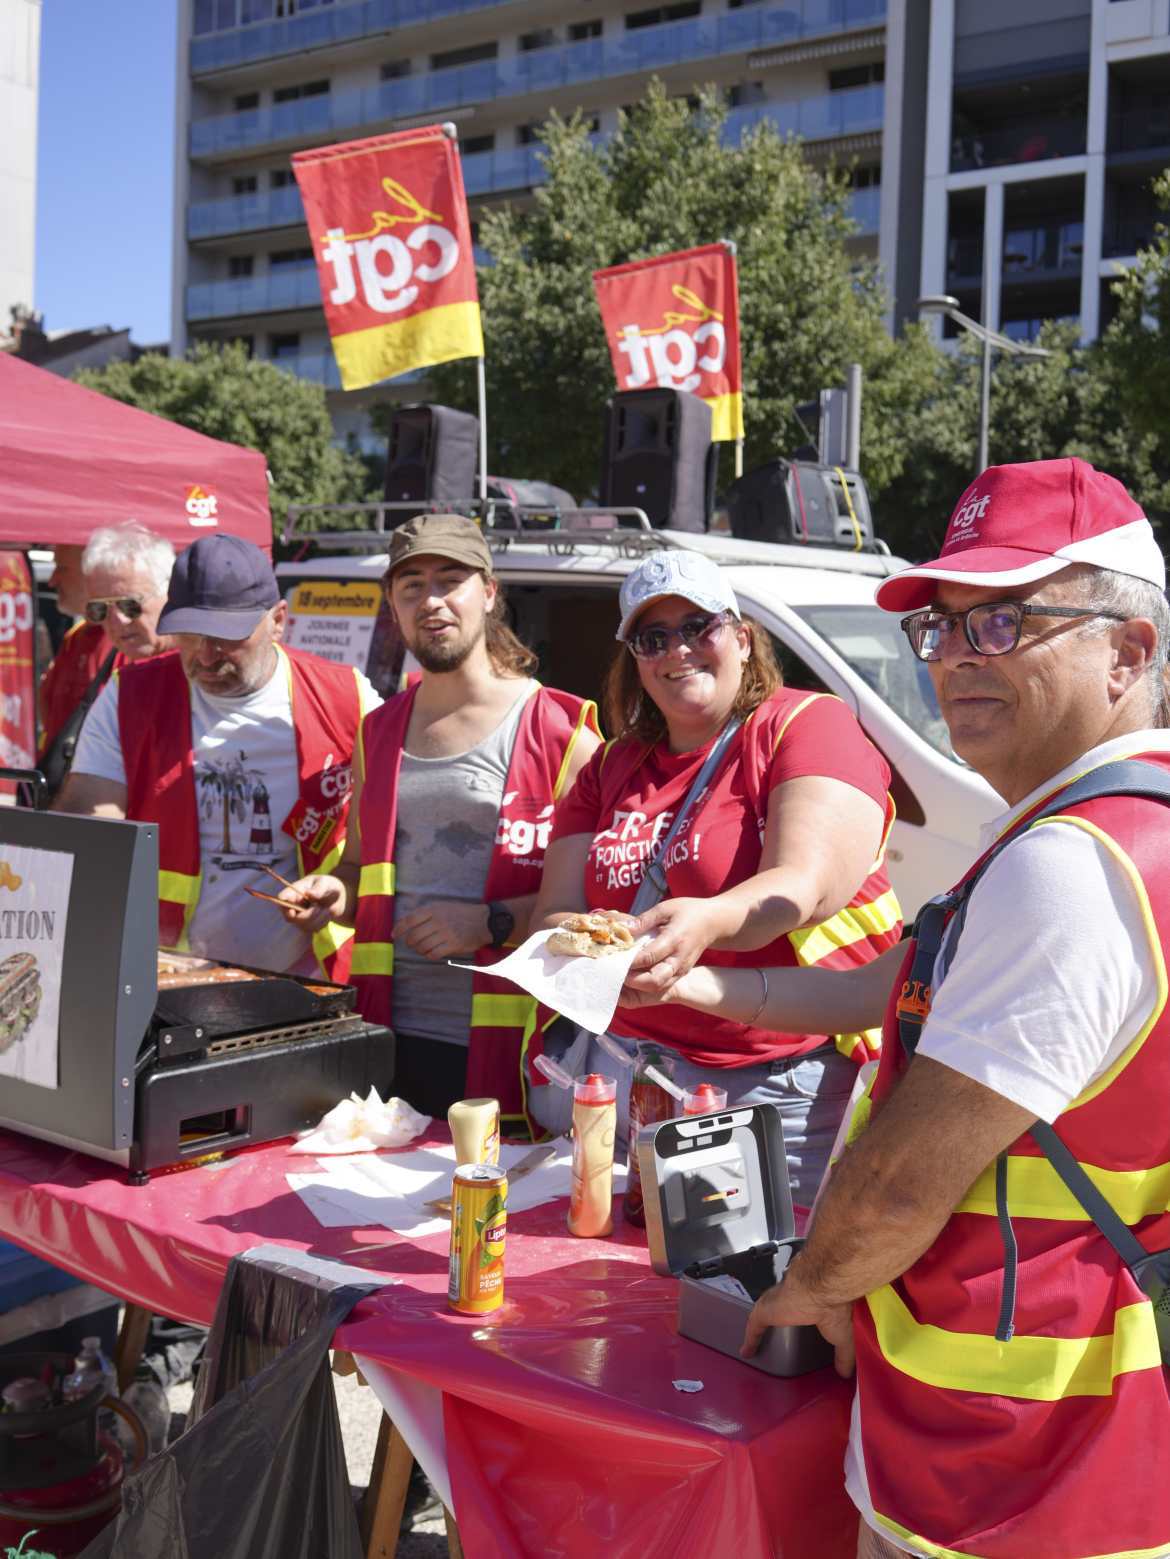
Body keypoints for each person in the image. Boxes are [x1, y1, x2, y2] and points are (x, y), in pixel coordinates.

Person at [641, 459, 1170, 1559]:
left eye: (1004, 622)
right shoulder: (1105, 833)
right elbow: (890, 994)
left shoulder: (1070, 864)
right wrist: (700, 979)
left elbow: (894, 1186)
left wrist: (805, 1292)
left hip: (1011, 1477)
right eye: (945, 628)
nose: (955, 661)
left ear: (1128, 650)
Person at [530, 549, 902, 1200]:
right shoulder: (610, 765)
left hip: (769, 1093)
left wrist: (708, 919)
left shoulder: (802, 724)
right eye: (653, 637)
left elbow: (805, 885)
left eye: (699, 626)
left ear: (742, 637)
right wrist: (601, 934)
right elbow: (553, 916)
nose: (679, 651)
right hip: (619, 1079)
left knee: (743, 1294)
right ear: (636, 660)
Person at [277, 513, 602, 1129]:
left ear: (488, 592)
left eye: (449, 580)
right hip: (385, 1039)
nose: (431, 600)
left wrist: (487, 921)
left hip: (516, 1054)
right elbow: (357, 869)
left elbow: (602, 911)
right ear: (393, 608)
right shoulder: (378, 732)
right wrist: (332, 892)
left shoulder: (563, 733)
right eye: (411, 586)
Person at [56, 533, 379, 977]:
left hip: (314, 979)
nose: (206, 656)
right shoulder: (130, 695)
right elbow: (90, 820)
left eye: (227, 636)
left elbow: (389, 841)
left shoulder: (347, 696)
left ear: (279, 620)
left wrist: (343, 888)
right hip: (171, 976)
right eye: (189, 634)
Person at [38, 525, 174, 762]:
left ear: (169, 592)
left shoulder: (200, 663)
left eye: (129, 604)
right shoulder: (82, 641)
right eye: (100, 608)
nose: (117, 620)